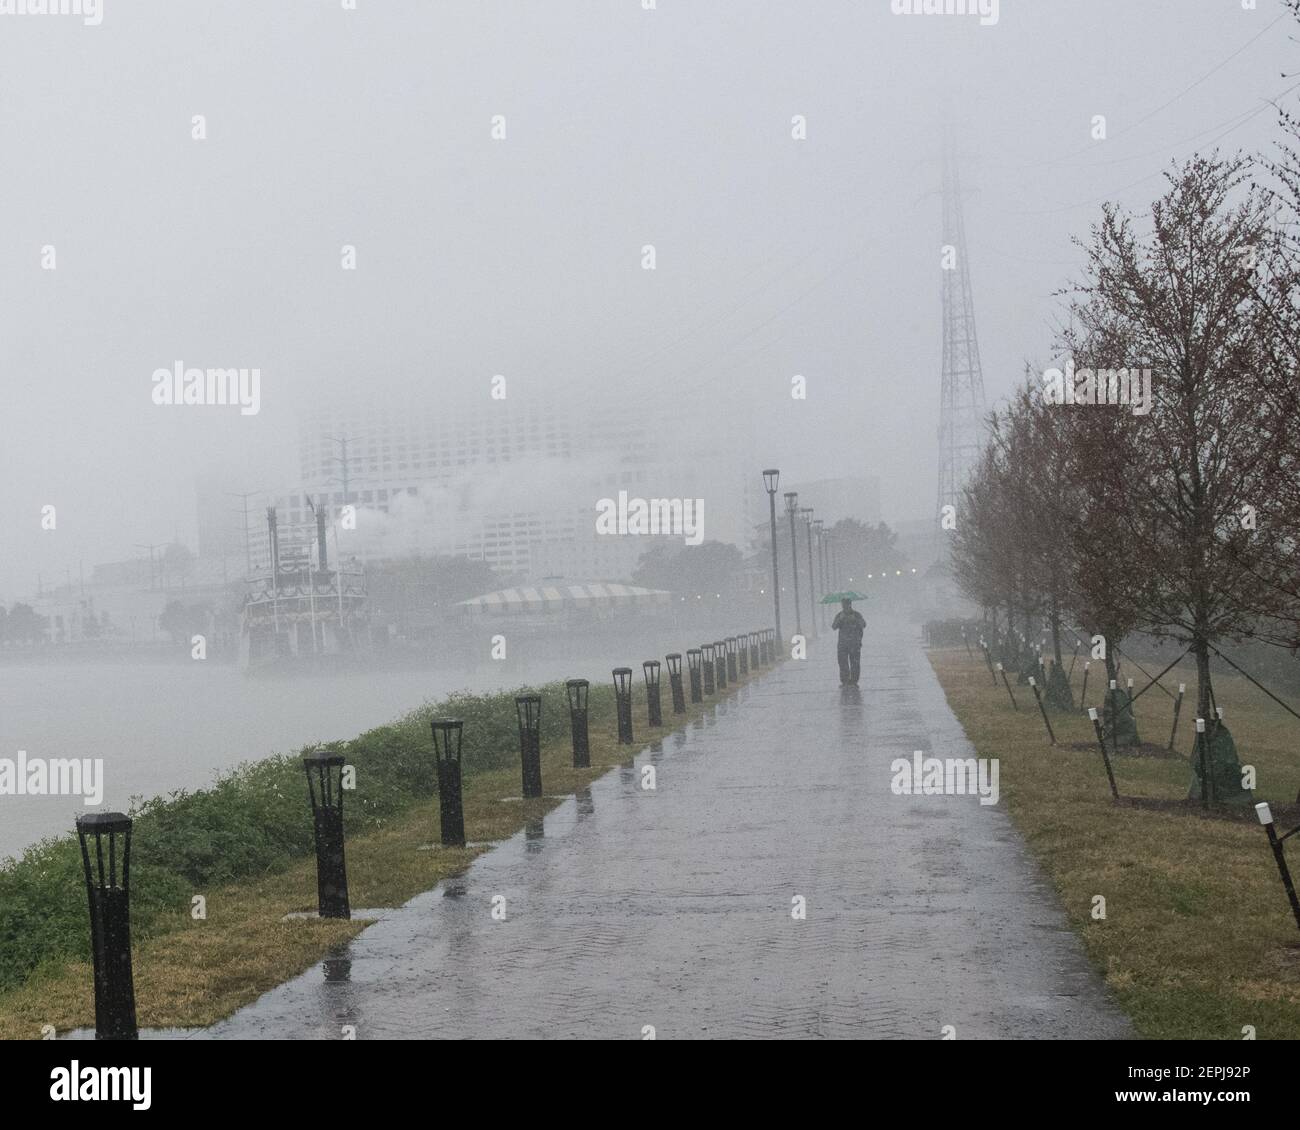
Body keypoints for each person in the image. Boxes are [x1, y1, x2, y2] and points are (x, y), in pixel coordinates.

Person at [831, 598, 865, 685]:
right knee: (842, 663)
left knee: (855, 663)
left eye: (846, 604)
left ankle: (854, 680)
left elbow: (863, 624)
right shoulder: (840, 615)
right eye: (843, 605)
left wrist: (855, 620)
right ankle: (845, 680)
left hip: (855, 643)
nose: (844, 606)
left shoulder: (856, 614)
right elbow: (834, 627)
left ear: (850, 604)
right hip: (843, 644)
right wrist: (840, 619)